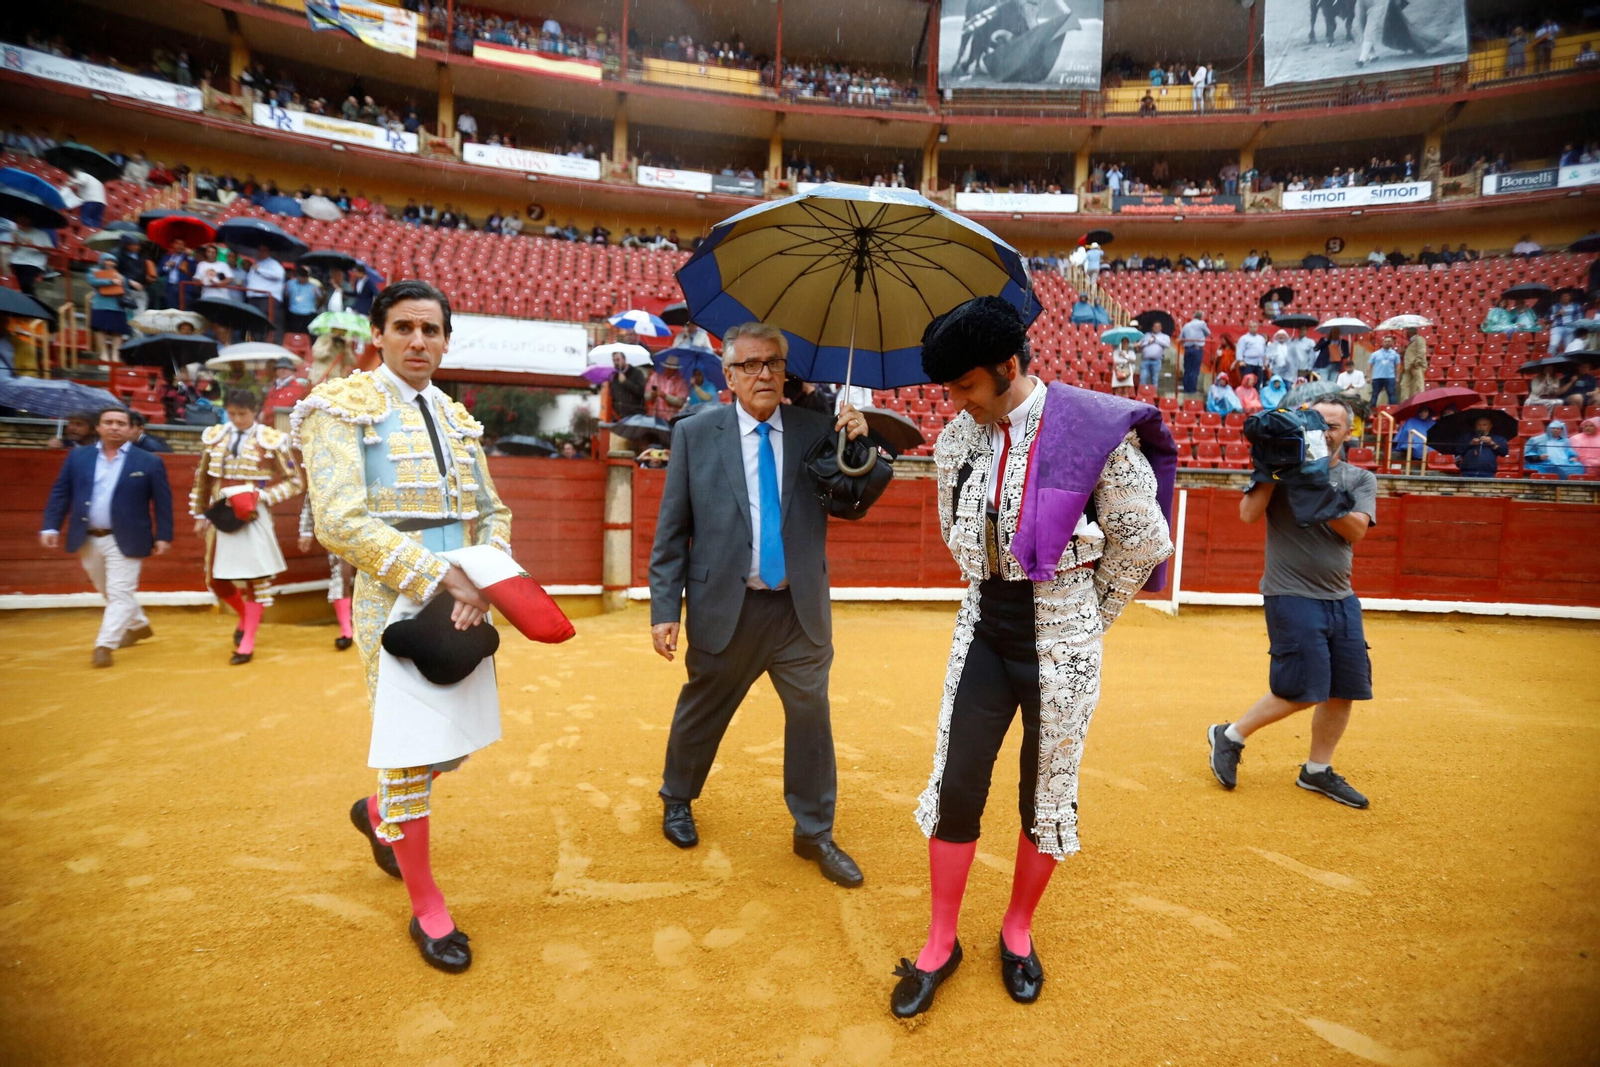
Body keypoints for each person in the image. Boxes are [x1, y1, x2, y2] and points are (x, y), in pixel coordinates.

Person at [891, 295, 1174, 1018]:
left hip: (1064, 631)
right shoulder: (958, 439)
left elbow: (1143, 538)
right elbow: (960, 540)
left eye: (967, 387)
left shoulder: (1090, 430)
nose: (956, 404)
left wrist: (1087, 618)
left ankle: (1017, 930)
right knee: (956, 784)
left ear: (1008, 367)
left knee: (1045, 790)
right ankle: (940, 940)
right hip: (984, 624)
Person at [296, 280, 514, 974]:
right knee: (412, 749)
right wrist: (436, 575)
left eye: (431, 329)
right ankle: (428, 904)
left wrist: (484, 571)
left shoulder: (456, 417)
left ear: (447, 339)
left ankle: (376, 810)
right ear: (378, 334)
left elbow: (494, 509)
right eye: (405, 327)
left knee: (450, 745)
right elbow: (338, 520)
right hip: (392, 596)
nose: (418, 340)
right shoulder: (340, 406)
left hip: (462, 595)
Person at [648, 321, 877, 889]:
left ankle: (814, 830)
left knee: (810, 718)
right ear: (727, 375)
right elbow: (672, 531)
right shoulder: (696, 434)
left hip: (797, 609)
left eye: (773, 363)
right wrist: (662, 609)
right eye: (749, 365)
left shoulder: (817, 429)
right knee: (704, 707)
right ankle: (678, 797)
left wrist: (859, 444)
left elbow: (853, 505)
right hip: (727, 605)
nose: (764, 374)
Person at [1209, 397, 1377, 809]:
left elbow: (1355, 531)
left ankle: (1316, 771)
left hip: (1342, 597)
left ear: (1348, 432)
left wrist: (1315, 486)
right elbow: (1248, 515)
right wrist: (1272, 474)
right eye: (1319, 424)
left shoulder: (1358, 478)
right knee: (1302, 689)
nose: (1326, 431)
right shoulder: (1283, 470)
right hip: (1291, 593)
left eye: (1334, 425)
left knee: (1344, 689)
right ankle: (1230, 734)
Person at [39, 408, 174, 667]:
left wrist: (164, 535)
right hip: (87, 536)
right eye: (109, 422)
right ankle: (139, 625)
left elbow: (163, 502)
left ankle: (104, 644)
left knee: (120, 592)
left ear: (130, 429)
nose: (115, 427)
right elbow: (61, 492)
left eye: (121, 423)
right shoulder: (78, 457)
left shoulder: (148, 461)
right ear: (98, 428)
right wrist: (50, 526)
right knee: (107, 590)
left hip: (128, 537)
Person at [189, 388, 303, 665]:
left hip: (253, 514)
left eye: (243, 414)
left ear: (256, 413)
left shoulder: (272, 440)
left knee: (256, 579)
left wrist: (263, 496)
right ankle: (244, 617)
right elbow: (203, 478)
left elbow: (295, 480)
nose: (237, 419)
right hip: (221, 513)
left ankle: (247, 641)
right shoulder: (216, 437)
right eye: (232, 413)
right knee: (215, 580)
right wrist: (200, 514)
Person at [244, 247, 286, 339]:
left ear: (268, 252)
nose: (260, 252)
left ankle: (270, 344)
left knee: (268, 323)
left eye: (263, 250)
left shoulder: (273, 263)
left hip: (266, 298)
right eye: (259, 250)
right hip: (254, 297)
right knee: (255, 323)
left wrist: (259, 270)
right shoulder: (256, 263)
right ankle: (256, 343)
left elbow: (278, 275)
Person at [644, 353, 689, 420]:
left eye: (670, 368)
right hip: (653, 416)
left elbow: (680, 402)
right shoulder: (656, 377)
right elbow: (645, 396)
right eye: (666, 367)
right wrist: (652, 395)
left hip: (671, 418)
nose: (667, 369)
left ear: (675, 369)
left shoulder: (681, 383)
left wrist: (665, 396)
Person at [608, 350, 648, 421]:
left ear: (624, 359)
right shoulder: (614, 376)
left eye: (618, 360)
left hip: (635, 416)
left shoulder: (637, 373)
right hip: (618, 417)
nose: (616, 363)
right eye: (614, 360)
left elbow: (641, 391)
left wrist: (625, 382)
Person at [1178, 311, 1210, 395]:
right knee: (1195, 370)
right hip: (1197, 348)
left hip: (1188, 349)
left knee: (1187, 369)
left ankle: (1186, 388)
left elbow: (1181, 338)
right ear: (1201, 317)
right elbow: (1208, 333)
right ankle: (1192, 389)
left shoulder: (1186, 325)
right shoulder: (1202, 323)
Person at [284, 266, 321, 335]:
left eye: (305, 277)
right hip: (294, 312)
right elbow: (286, 295)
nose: (303, 279)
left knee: (307, 334)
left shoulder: (313, 286)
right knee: (294, 332)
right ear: (298, 276)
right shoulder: (290, 284)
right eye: (301, 277)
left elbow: (320, 298)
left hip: (309, 312)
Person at [1367, 336, 1401, 406]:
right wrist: (1368, 377)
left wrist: (1397, 377)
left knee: (1392, 394)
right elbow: (1369, 365)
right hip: (1377, 377)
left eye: (1389, 342)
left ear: (1392, 343)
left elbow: (1398, 367)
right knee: (1374, 395)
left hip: (1390, 377)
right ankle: (1371, 411)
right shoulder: (1375, 354)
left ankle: (1392, 411)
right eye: (1385, 342)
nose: (1387, 343)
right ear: (1382, 342)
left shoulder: (1395, 354)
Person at [1400, 327, 1427, 400]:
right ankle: (1405, 402)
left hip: (1415, 366)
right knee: (1404, 384)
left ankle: (1421, 400)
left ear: (1411, 332)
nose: (1406, 334)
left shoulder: (1420, 339)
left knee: (1419, 385)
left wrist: (1417, 362)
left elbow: (1422, 351)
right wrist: (1404, 352)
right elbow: (1412, 352)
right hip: (1408, 366)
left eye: (1407, 332)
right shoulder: (1411, 342)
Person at [1139, 325, 1169, 389]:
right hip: (1145, 360)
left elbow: (1167, 344)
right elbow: (1140, 344)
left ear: (1161, 328)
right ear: (1152, 327)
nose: (1156, 328)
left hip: (1157, 361)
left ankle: (1154, 394)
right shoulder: (1147, 335)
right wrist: (1148, 342)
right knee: (1143, 378)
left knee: (1154, 379)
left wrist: (1156, 339)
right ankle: (1142, 394)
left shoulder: (1164, 336)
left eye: (1158, 326)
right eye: (1155, 326)